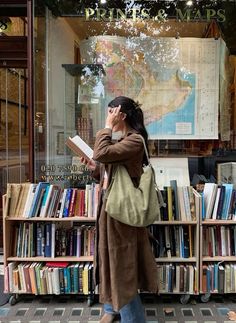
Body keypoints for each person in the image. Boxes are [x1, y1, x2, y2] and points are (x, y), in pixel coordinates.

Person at [80, 96, 158, 323]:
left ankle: (133, 318)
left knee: (122, 264)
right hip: (109, 207)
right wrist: (95, 167)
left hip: (123, 212)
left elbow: (103, 153)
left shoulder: (134, 141)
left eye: (112, 111)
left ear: (121, 115)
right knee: (107, 258)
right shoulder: (118, 139)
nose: (109, 115)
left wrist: (105, 128)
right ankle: (111, 308)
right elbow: (107, 169)